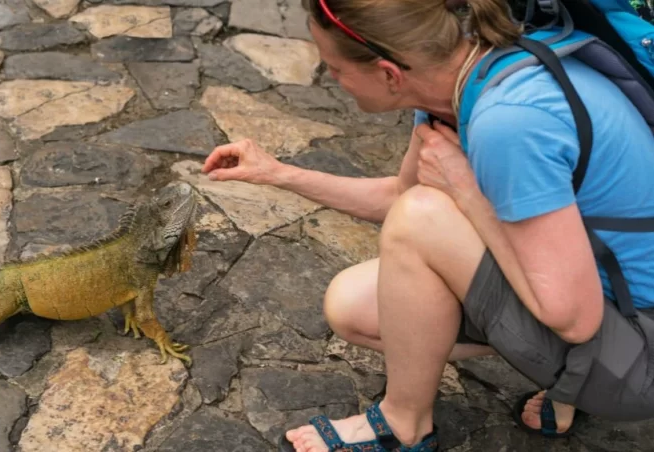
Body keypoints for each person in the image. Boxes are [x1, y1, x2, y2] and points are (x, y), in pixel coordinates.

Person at [201, 0, 654, 451]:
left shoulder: (509, 123)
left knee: (423, 216)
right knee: (356, 308)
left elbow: (573, 321)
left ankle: (403, 425)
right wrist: (278, 173)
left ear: (389, 74)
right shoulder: (461, 81)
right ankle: (565, 382)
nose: (332, 79)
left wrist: (467, 193)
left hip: (637, 356)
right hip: (599, 293)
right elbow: (398, 195)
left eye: (334, 69)